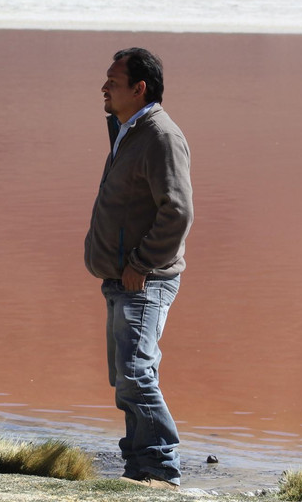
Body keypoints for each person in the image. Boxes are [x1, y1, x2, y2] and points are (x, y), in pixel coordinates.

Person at [84, 47, 194, 489]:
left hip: (144, 281)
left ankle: (161, 471)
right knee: (124, 377)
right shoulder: (129, 129)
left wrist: (142, 264)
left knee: (135, 372)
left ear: (139, 88)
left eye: (113, 80)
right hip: (121, 278)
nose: (104, 87)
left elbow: (178, 211)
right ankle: (137, 469)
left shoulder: (160, 136)